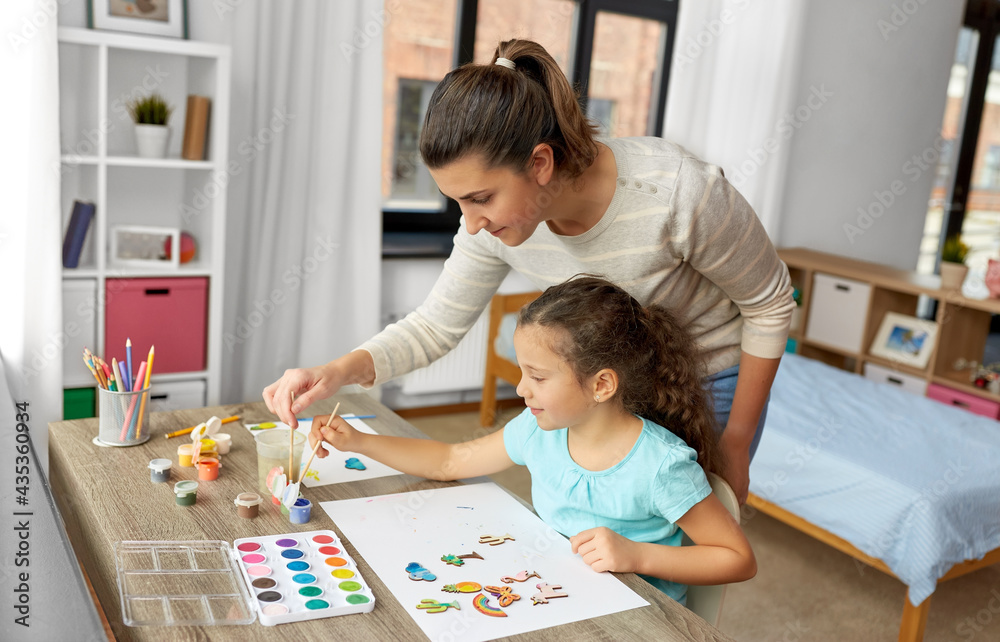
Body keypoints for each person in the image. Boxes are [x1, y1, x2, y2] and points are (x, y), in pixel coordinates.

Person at [264, 38, 794, 503]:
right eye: (458, 204)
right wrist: (335, 373)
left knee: (686, 534)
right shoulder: (496, 228)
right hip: (609, 379)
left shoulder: (680, 192)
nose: (470, 225)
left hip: (708, 375)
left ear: (540, 164)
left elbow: (770, 303)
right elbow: (435, 326)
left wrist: (737, 442)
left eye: (481, 199)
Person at [309, 277, 757, 604]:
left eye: (538, 377)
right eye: (522, 372)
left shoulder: (661, 466)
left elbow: (737, 559)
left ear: (602, 385)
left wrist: (636, 555)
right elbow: (450, 459)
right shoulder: (537, 431)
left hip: (636, 612)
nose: (521, 389)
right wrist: (359, 442)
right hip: (555, 593)